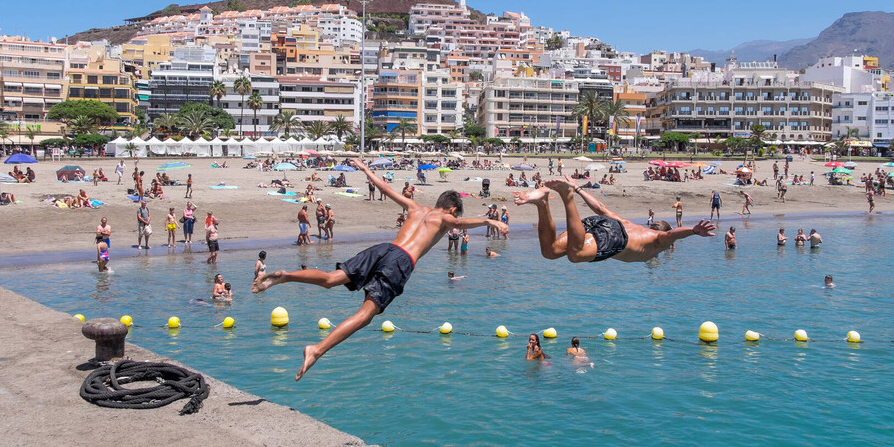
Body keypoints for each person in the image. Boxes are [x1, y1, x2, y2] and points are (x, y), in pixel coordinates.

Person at [252, 158, 507, 381]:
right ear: (452, 208)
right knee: (366, 314)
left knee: (331, 279)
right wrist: (489, 219)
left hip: (384, 248)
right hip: (401, 261)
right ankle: (317, 350)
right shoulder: (445, 217)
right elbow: (461, 222)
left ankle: (285, 276)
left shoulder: (415, 207)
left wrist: (365, 168)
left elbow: (385, 187)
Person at [515, 178, 714, 264]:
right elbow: (670, 235)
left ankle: (543, 203)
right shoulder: (658, 241)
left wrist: (579, 188)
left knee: (550, 252)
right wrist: (693, 231)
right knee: (575, 255)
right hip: (616, 238)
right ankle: (566, 197)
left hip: (602, 224)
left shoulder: (630, 223)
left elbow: (600, 208)